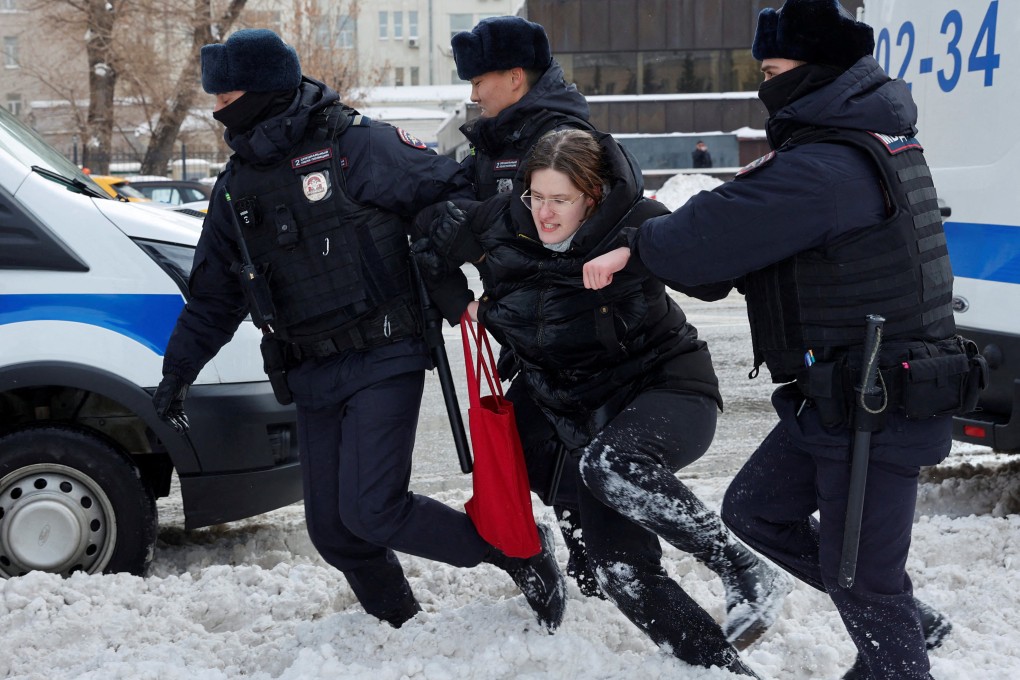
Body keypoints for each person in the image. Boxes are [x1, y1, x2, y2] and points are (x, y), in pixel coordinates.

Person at [582, 1, 968, 677]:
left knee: (864, 583)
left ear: (819, 69)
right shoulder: (849, 145)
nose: (767, 85)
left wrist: (635, 249)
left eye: (775, 68)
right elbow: (752, 244)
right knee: (759, 510)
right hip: (841, 399)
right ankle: (899, 624)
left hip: (877, 408)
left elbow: (716, 229)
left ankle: (898, 649)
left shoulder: (829, 165)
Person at [150, 28, 566, 633]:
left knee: (374, 508)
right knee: (335, 530)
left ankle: (518, 554)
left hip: (384, 351)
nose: (218, 110)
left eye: (227, 95)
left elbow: (448, 193)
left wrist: (444, 261)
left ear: (263, 92)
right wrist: (177, 372)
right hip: (310, 369)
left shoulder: (356, 146)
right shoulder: (237, 186)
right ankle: (399, 625)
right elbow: (215, 294)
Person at [414, 129, 794, 677]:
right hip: (582, 415)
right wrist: (460, 305)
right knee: (620, 568)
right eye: (536, 197)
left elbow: (718, 275)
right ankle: (720, 668)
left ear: (592, 196)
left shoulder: (636, 220)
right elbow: (428, 233)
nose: (544, 214)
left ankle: (743, 570)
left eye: (561, 200)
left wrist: (637, 250)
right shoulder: (500, 221)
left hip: (667, 388)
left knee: (613, 464)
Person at [448, 15, 602, 597]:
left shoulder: (559, 138)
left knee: (555, 448)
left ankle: (599, 560)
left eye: (480, 80)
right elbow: (454, 205)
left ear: (515, 77)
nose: (473, 93)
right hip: (527, 327)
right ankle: (595, 559)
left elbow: (555, 236)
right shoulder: (501, 141)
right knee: (543, 448)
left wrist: (475, 226)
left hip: (569, 328)